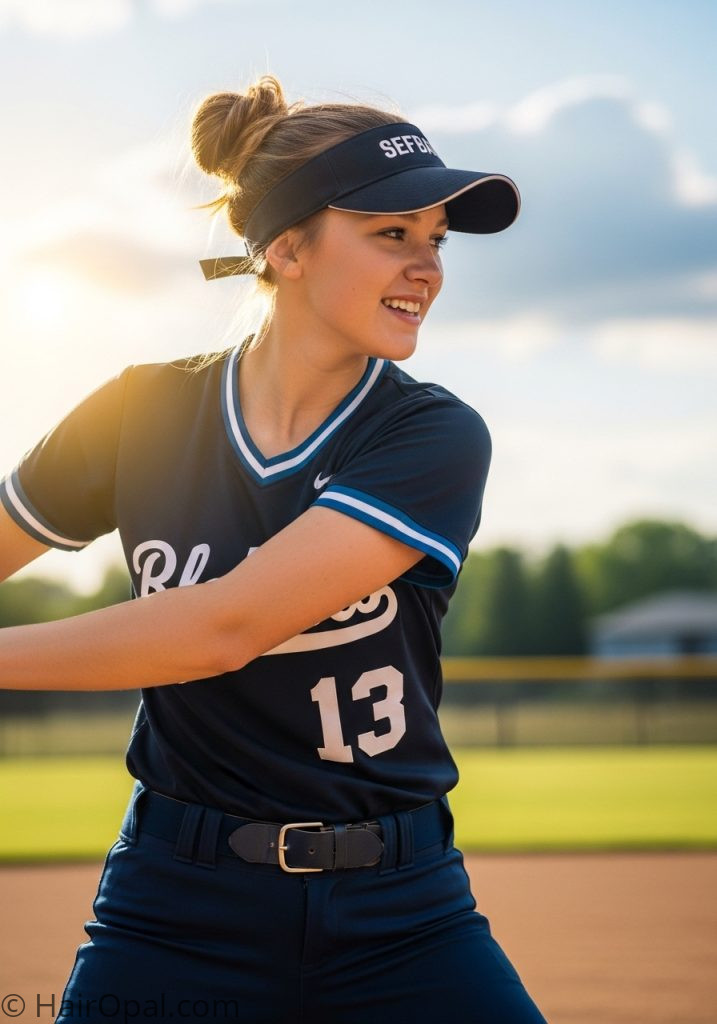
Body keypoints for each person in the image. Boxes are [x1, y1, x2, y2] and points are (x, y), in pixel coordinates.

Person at [0, 75, 548, 1023]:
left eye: (435, 240)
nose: (427, 267)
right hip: (172, 902)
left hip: (402, 909)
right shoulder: (142, 410)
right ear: (286, 248)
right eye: (390, 234)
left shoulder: (428, 434)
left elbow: (224, 626)